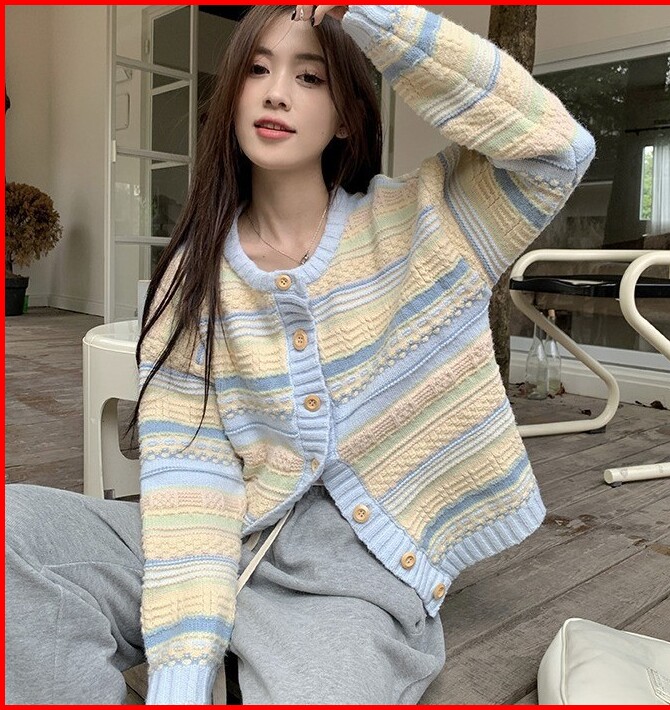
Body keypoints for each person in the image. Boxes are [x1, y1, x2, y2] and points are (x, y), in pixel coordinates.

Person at [5, 4, 595, 705]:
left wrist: (377, 19)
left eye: (309, 76)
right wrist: (182, 671)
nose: (277, 92)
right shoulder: (192, 280)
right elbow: (191, 470)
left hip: (348, 581)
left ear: (345, 116)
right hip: (213, 538)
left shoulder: (429, 225)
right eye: (257, 70)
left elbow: (555, 151)